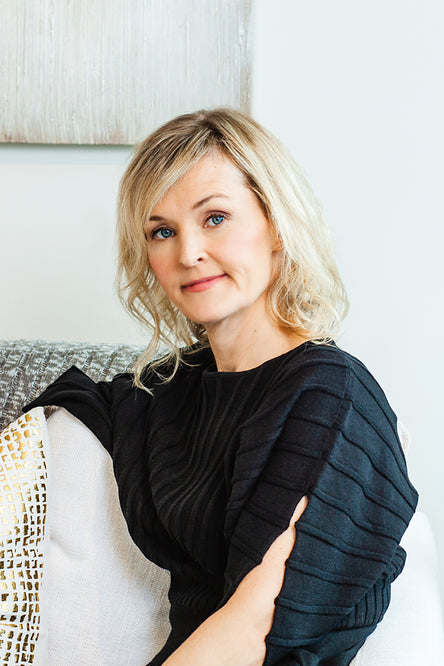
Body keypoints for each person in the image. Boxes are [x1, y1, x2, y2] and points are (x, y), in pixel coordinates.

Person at [25, 108, 418, 665]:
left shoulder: (329, 395)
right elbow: (75, 402)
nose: (188, 253)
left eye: (215, 218)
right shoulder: (174, 389)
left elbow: (255, 625)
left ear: (276, 224)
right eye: (163, 232)